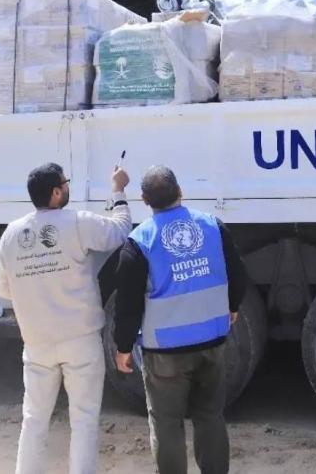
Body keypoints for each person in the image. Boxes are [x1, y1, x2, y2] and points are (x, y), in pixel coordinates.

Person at [110, 165, 249, 474]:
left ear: (145, 201)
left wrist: (123, 347)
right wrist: (232, 306)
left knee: (167, 422)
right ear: (180, 191)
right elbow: (238, 274)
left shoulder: (139, 241)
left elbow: (128, 303)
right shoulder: (213, 226)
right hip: (212, 342)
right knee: (210, 416)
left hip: (165, 353)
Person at [0, 162, 132, 474]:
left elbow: (3, 289)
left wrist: (36, 289)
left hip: (37, 344)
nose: (68, 187)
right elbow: (120, 231)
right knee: (83, 420)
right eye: (66, 183)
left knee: (34, 420)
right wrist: (118, 191)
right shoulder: (78, 222)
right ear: (56, 193)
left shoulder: (11, 234)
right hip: (80, 341)